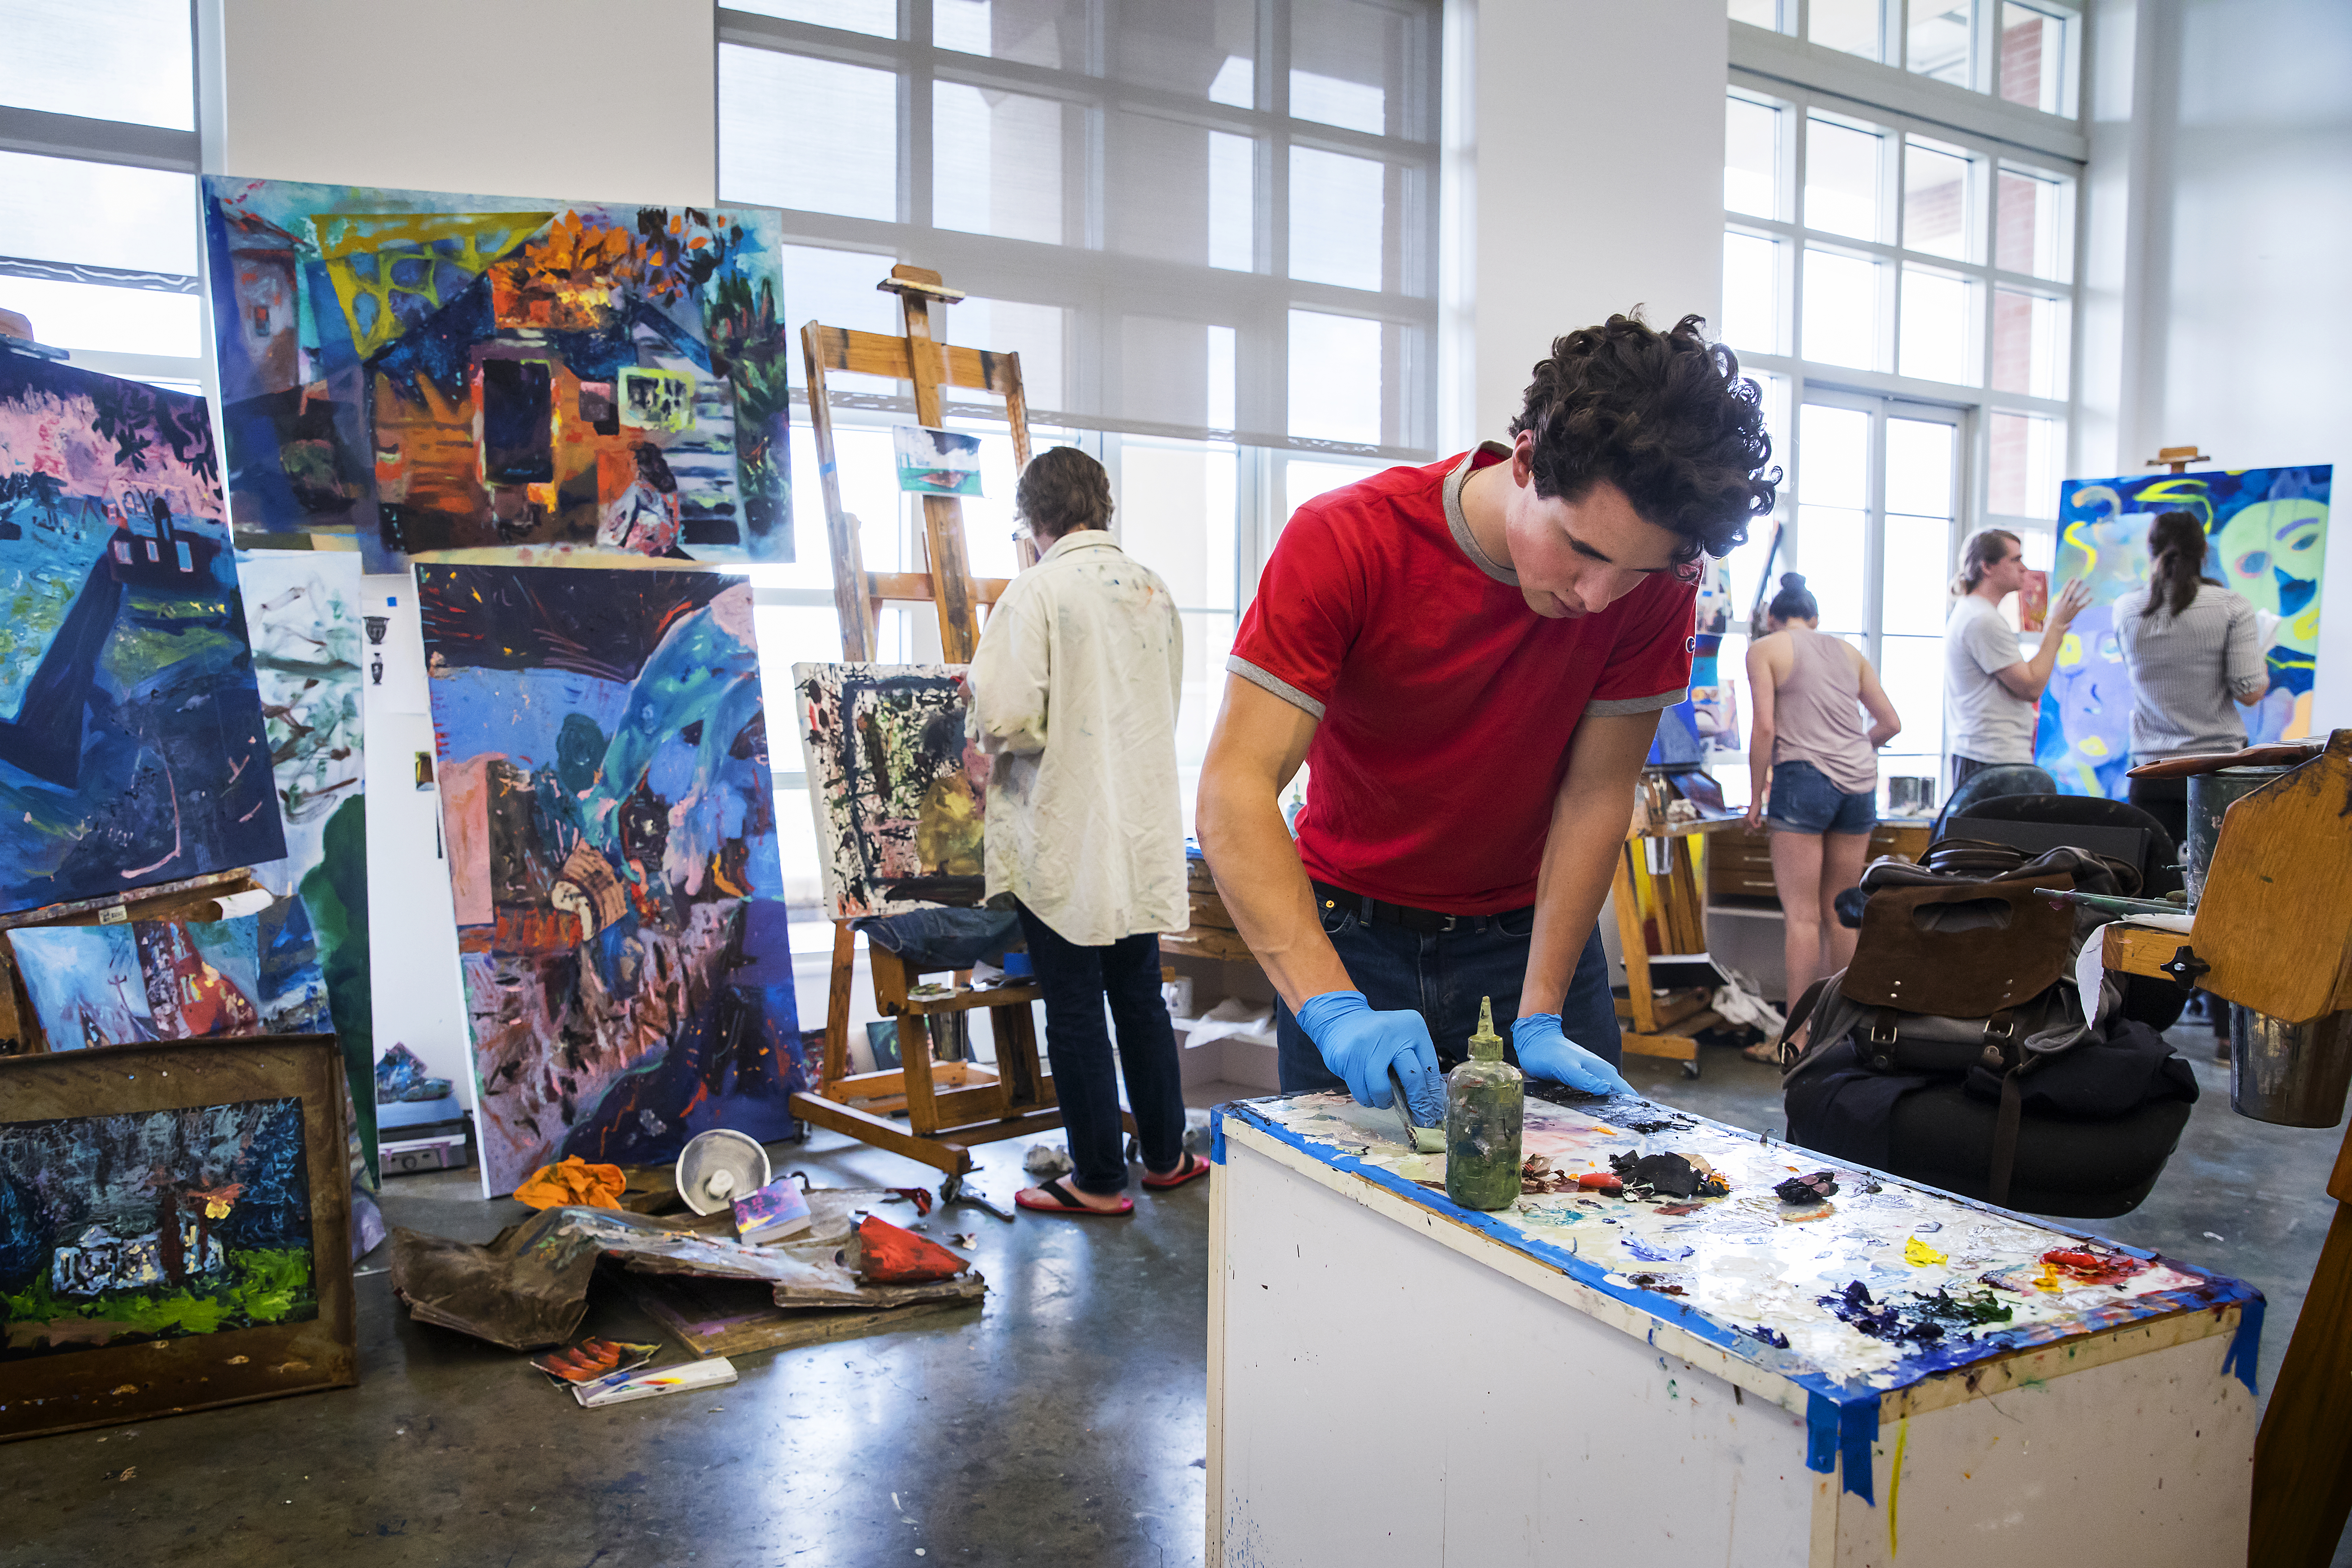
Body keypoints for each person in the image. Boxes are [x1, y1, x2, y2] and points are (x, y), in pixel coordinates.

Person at [1195, 313, 1778, 1126]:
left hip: (1531, 939)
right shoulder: (1348, 541)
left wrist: (1539, 1011)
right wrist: (1331, 1008)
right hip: (1351, 942)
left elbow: (1594, 796)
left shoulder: (1660, 583)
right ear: (1527, 460)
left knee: (1581, 1218)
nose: (1596, 597)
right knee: (1344, 1231)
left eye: (1635, 571)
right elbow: (1235, 786)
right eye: (1583, 550)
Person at [965, 447, 1204, 1216]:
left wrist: (1010, 742)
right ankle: (1166, 1155)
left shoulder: (1036, 590)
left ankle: (1099, 1178)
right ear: (1101, 505)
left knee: (1073, 1008)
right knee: (1138, 996)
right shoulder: (1151, 588)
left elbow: (1003, 715)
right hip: (1136, 831)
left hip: (1064, 834)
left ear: (1034, 518)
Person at [1741, 573, 1901, 1051]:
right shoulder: (1850, 653)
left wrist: (1755, 797)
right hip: (1860, 785)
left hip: (1803, 780)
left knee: (1803, 918)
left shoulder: (1766, 649)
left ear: (1773, 618)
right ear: (1814, 618)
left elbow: (1766, 728)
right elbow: (1890, 723)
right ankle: (1846, 1034)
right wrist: (1851, 748)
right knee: (1842, 912)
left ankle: (1795, 1038)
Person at [2113, 510, 2269, 849]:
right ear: (2204, 551)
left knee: (2153, 887)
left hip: (2150, 770)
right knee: (2220, 885)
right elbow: (2250, 692)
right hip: (2219, 770)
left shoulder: (2126, 608)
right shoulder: (2231, 606)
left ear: (2151, 550)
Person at [1943, 528, 2090, 795]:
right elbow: (2030, 686)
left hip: (1991, 755)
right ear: (1987, 567)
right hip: (1992, 758)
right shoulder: (1982, 619)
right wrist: (2056, 626)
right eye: (2015, 560)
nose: (2024, 569)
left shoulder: (1978, 613)